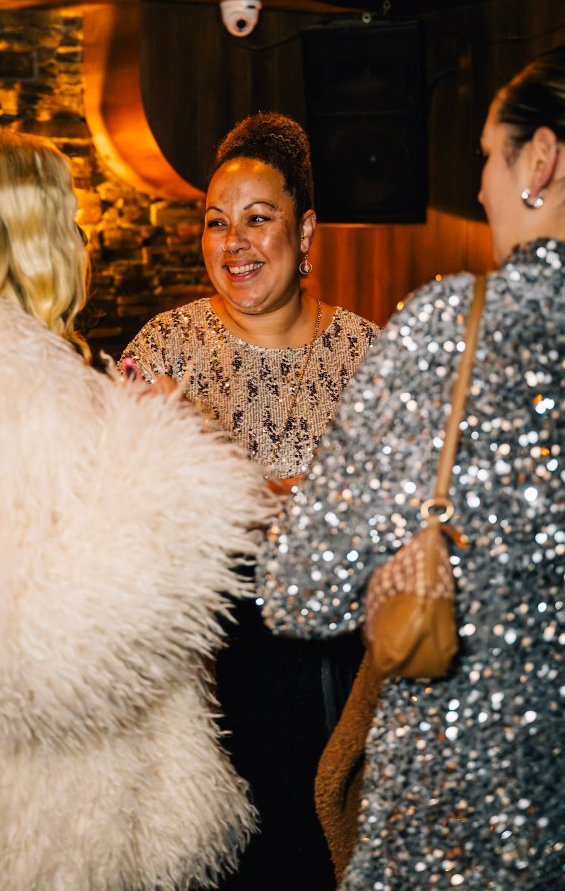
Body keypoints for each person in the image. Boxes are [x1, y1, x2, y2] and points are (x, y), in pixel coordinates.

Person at [0, 123, 275, 891]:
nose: (78, 240)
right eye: (66, 221)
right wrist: (168, 456)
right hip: (19, 829)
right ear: (25, 233)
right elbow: (34, 647)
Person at [259, 47, 565, 890]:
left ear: (540, 159)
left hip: (463, 818)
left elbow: (297, 588)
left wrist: (392, 568)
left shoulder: (451, 329)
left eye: (486, 158)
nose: (480, 191)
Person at [123, 112, 380, 888]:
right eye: (216, 222)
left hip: (338, 675)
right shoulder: (161, 350)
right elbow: (115, 524)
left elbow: (406, 518)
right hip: (203, 684)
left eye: (257, 219)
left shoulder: (369, 355)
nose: (233, 242)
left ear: (305, 233)